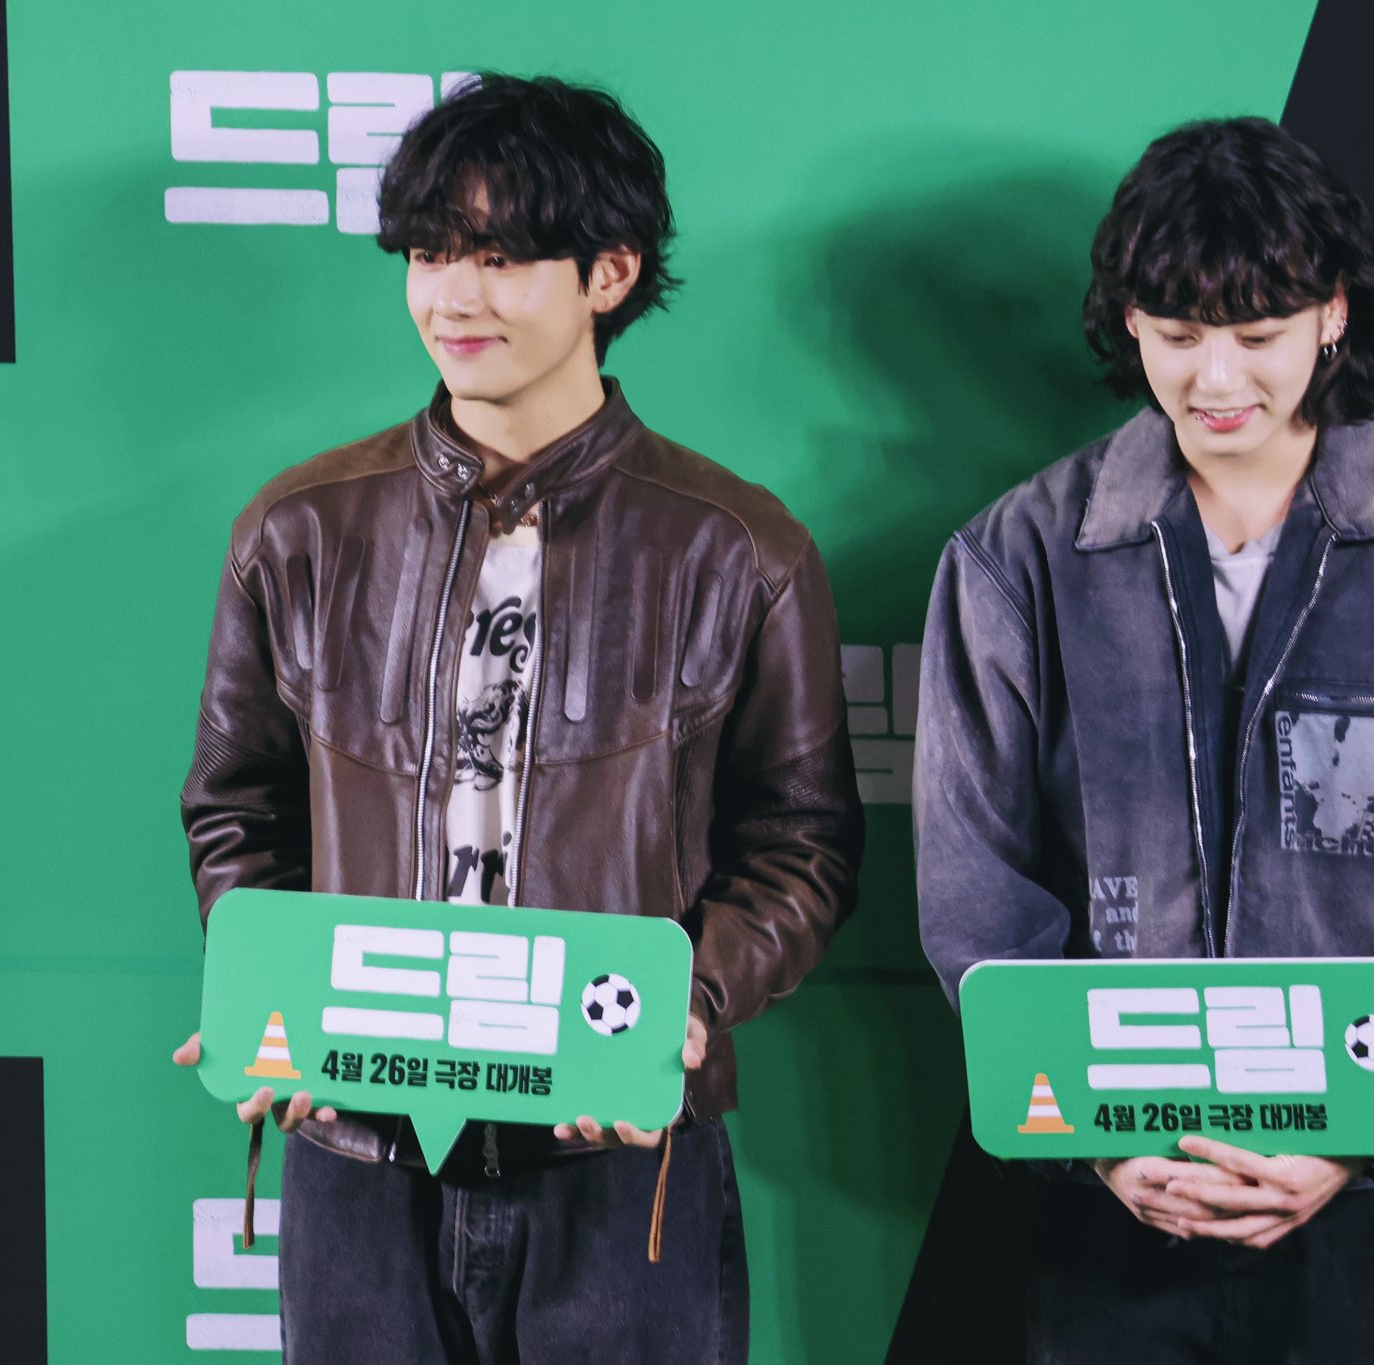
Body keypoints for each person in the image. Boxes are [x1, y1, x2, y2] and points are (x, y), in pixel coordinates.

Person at [172, 73, 863, 1362]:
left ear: (610, 272)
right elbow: (237, 809)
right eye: (428, 255)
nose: (452, 298)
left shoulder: (736, 549)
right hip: (355, 1150)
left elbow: (802, 843)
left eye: (497, 258)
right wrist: (269, 993)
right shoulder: (300, 529)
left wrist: (684, 1007)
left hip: (617, 1156)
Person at [913, 116, 1374, 1362]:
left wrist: (1350, 1137)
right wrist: (1104, 1140)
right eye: (1176, 337)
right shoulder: (1018, 557)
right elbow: (975, 887)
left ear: (1332, 314)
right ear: (1127, 323)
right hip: (1115, 1190)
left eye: (1257, 334)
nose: (1215, 381)